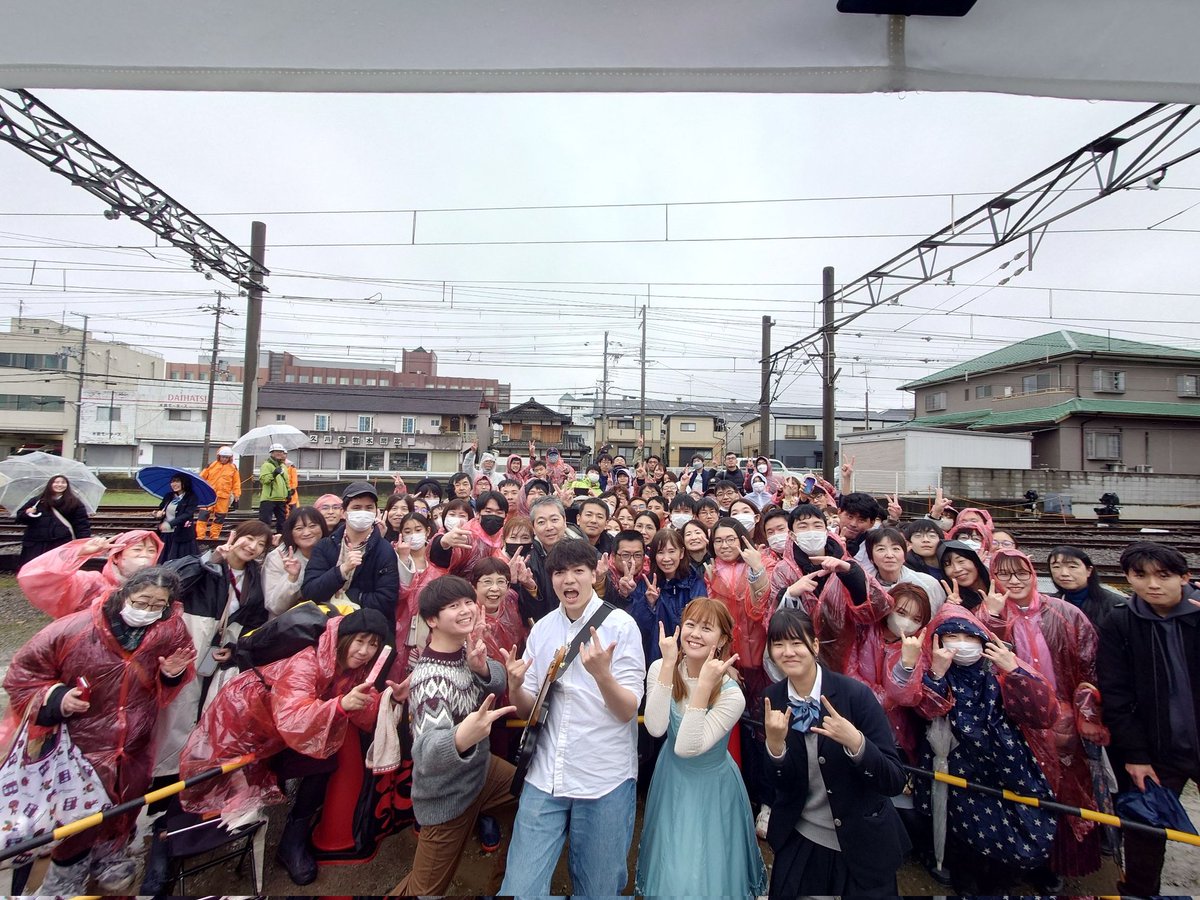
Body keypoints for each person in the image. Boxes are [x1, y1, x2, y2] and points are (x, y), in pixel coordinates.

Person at [4, 567, 195, 895]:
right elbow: (23, 674)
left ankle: (109, 858)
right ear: (124, 594)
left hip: (135, 741)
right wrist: (57, 699)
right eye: (142, 601)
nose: (148, 610)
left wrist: (173, 675)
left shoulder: (169, 629)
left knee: (126, 802)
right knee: (77, 816)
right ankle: (64, 878)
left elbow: (179, 671)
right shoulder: (75, 628)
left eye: (157, 605)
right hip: (81, 743)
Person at [175, 609, 394, 886]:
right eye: (360, 641)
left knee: (322, 763)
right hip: (245, 720)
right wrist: (339, 705)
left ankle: (293, 841)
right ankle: (171, 840)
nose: (365, 651)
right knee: (208, 782)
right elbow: (294, 717)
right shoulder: (308, 661)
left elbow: (363, 713)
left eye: (373, 644)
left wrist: (390, 699)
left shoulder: (356, 670)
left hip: (282, 731)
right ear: (344, 638)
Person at [498, 539, 646, 896]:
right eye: (560, 572)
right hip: (546, 772)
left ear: (595, 573)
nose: (569, 580)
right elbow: (527, 709)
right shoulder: (543, 628)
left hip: (604, 776)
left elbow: (628, 709)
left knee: (599, 890)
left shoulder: (622, 627)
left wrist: (603, 676)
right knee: (520, 889)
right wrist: (515, 686)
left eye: (578, 570)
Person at [760, 606, 910, 897]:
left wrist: (857, 743)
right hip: (801, 837)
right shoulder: (773, 699)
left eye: (796, 642)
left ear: (814, 645)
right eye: (778, 644)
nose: (788, 652)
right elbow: (778, 784)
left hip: (862, 841)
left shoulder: (854, 695)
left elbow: (893, 779)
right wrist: (775, 747)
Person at [980, 548, 1109, 884]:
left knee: (1068, 791)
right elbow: (980, 668)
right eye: (1005, 574)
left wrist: (1082, 715)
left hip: (1065, 722)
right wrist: (991, 619)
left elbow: (1089, 666)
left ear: (1033, 573)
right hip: (1015, 722)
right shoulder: (988, 614)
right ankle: (1029, 861)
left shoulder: (1065, 613)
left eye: (1021, 572)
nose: (1014, 581)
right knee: (1025, 791)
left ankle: (1061, 863)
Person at [914, 603, 1059, 895]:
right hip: (958, 769)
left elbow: (1042, 714)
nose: (962, 645)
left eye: (969, 637)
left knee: (1021, 828)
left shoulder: (1000, 671)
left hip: (1008, 766)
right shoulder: (934, 671)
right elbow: (926, 710)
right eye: (952, 637)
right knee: (965, 839)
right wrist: (938, 675)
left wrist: (1015, 671)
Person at [636, 598, 767, 897]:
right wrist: (668, 664)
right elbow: (656, 728)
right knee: (673, 860)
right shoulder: (661, 666)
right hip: (671, 779)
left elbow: (687, 747)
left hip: (714, 786)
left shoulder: (732, 695)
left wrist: (705, 686)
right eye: (691, 625)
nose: (694, 634)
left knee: (710, 865)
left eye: (706, 628)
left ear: (721, 639)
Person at [392, 576, 515, 895]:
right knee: (426, 890)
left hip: (481, 772)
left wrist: (482, 669)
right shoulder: (431, 680)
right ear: (431, 620)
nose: (465, 610)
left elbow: (499, 683)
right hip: (447, 797)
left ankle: (505, 885)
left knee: (532, 798)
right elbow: (428, 753)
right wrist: (462, 735)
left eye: (466, 602)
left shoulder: (462, 651)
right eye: (452, 606)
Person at [1099, 541, 1200, 897]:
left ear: (1185, 577)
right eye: (1140, 576)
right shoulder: (1121, 621)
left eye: (1164, 575)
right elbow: (1116, 692)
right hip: (1157, 748)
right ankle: (1141, 891)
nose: (1152, 584)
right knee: (1145, 830)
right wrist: (1136, 755)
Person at [154, 520, 273, 783]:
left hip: (218, 656)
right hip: (190, 644)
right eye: (249, 538)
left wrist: (235, 647)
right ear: (234, 536)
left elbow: (254, 619)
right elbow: (168, 584)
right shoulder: (204, 562)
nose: (252, 547)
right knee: (175, 715)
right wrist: (208, 561)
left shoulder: (255, 577)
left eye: (260, 544)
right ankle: (163, 781)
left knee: (206, 714)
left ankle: (193, 775)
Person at [303, 481, 400, 625]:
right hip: (326, 626)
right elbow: (310, 592)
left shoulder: (384, 550)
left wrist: (350, 596)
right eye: (356, 507)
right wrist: (341, 570)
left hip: (369, 628)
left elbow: (387, 599)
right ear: (344, 512)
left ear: (375, 512)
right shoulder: (325, 546)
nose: (363, 512)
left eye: (369, 508)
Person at [17, 529, 162, 618]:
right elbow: (35, 576)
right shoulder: (91, 583)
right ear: (116, 557)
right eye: (137, 549)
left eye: (151, 551)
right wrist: (78, 553)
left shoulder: (161, 589)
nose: (145, 555)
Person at [262, 506, 330, 618]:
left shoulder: (332, 550)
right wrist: (292, 578)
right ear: (290, 532)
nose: (307, 532)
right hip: (287, 624)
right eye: (299, 528)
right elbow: (274, 606)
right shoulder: (277, 558)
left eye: (312, 526)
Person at [15, 474, 92, 568]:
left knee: (57, 569)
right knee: (35, 569)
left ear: (67, 485)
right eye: (56, 482)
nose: (59, 485)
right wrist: (27, 513)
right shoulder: (37, 501)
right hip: (36, 544)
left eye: (63, 482)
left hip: (61, 543)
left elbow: (81, 524)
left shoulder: (74, 503)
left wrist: (83, 541)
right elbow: (19, 518)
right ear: (50, 484)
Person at [864, 526, 946, 613]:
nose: (889, 555)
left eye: (896, 549)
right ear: (871, 558)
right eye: (881, 549)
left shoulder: (928, 584)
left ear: (904, 555)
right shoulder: (864, 585)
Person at [1047, 544, 1125, 631]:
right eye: (1056, 567)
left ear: (1089, 570)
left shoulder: (1115, 604)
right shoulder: (1049, 604)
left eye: (1072, 567)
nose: (1064, 573)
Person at [197, 445, 241, 539]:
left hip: (223, 497)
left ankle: (214, 536)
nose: (224, 459)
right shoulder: (211, 465)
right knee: (203, 516)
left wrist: (237, 494)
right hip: (209, 495)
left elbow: (236, 482)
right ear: (219, 456)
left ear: (230, 458)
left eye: (226, 457)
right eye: (223, 457)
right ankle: (200, 536)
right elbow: (201, 478)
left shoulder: (233, 468)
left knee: (219, 518)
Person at [154, 473, 200, 562]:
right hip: (166, 533)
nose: (174, 484)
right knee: (163, 560)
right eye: (172, 481)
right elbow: (162, 509)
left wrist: (170, 524)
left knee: (178, 561)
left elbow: (187, 514)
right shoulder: (169, 496)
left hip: (182, 535)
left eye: (177, 481)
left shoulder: (191, 497)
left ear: (185, 483)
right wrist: (157, 514)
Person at [938, 539, 992, 611]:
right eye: (947, 565)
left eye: (961, 561)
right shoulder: (950, 598)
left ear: (975, 561)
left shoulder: (999, 583)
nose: (957, 569)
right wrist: (956, 609)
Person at [257, 443, 292, 532]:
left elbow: (286, 481)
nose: (279, 453)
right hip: (269, 498)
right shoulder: (266, 465)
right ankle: (264, 539)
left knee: (282, 522)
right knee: (265, 522)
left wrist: (288, 492)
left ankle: (281, 539)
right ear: (271, 453)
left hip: (281, 499)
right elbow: (264, 480)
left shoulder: (283, 466)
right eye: (277, 451)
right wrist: (274, 474)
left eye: (281, 452)